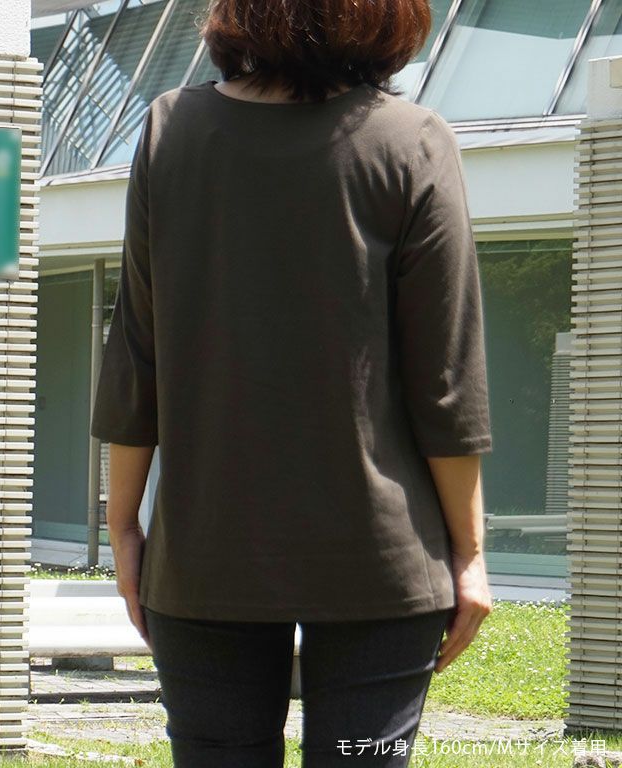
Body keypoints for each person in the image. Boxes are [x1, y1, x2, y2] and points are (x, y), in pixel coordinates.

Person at [89, 0, 494, 765]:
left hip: (204, 556)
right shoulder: (412, 142)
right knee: (359, 756)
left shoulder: (172, 130)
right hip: (382, 566)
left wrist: (125, 531)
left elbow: (136, 353)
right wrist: (470, 553)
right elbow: (445, 378)